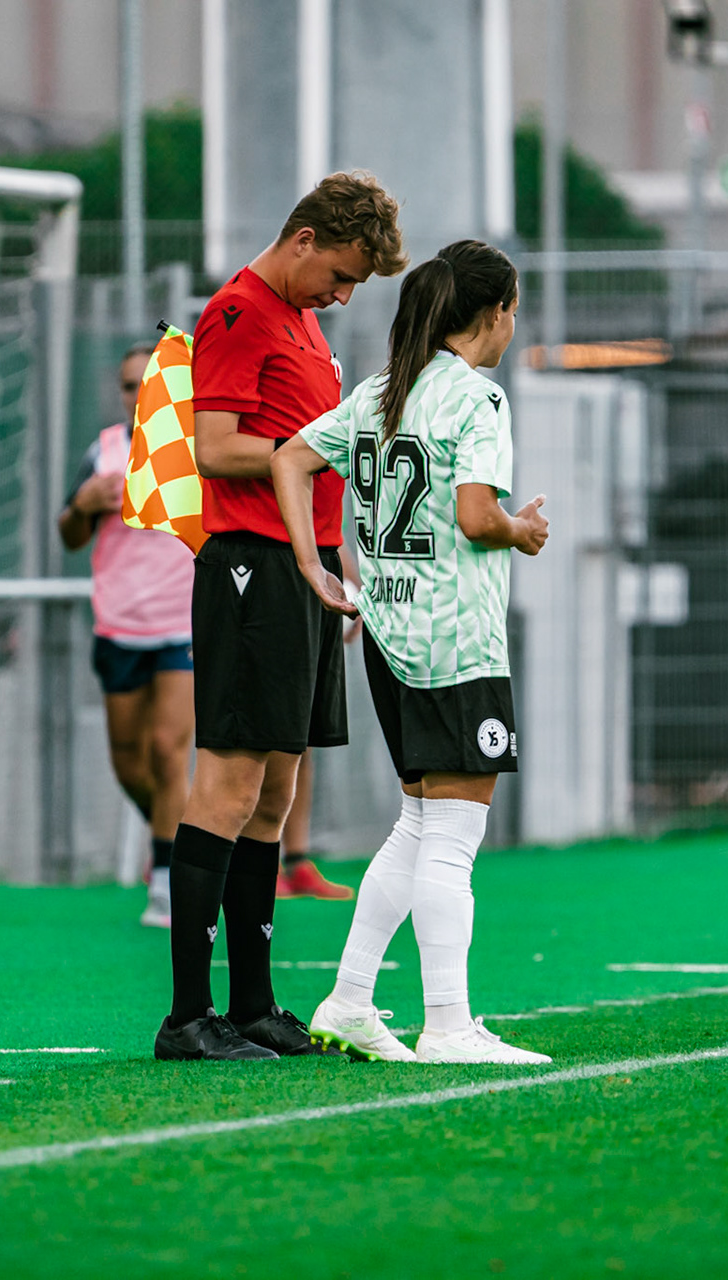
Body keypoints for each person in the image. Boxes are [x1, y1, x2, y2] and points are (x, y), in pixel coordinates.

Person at [270, 239, 553, 1064]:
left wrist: (313, 566)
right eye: (513, 312)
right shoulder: (474, 398)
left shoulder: (378, 392)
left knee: (419, 822)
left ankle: (351, 1000)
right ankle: (448, 1024)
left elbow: (289, 458)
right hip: (455, 640)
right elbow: (474, 516)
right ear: (495, 314)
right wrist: (520, 529)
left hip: (389, 638)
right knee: (454, 836)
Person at [154, 171, 408, 1061]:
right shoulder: (239, 312)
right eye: (340, 275)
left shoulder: (301, 319)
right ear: (305, 238)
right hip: (248, 572)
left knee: (276, 792)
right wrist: (304, 461)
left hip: (296, 573)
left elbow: (312, 462)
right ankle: (189, 1016)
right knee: (228, 783)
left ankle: (253, 1005)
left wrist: (332, 561)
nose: (343, 296)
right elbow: (214, 445)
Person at [59, 343, 195, 929]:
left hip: (182, 628)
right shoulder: (105, 452)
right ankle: (181, 835)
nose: (138, 393)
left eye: (149, 382)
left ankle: (167, 884)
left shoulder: (196, 450)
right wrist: (83, 506)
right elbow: (68, 536)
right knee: (129, 765)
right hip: (119, 626)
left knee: (169, 750)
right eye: (127, 384)